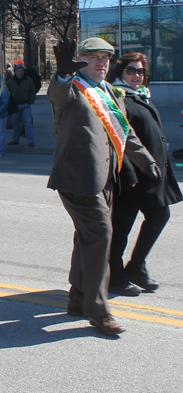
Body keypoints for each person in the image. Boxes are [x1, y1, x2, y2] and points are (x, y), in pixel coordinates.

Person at [47, 38, 161, 335]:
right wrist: (61, 75)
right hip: (76, 177)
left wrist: (145, 161)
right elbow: (56, 95)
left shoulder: (110, 91)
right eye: (94, 57)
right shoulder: (72, 86)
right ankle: (98, 310)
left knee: (87, 236)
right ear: (80, 60)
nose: (101, 62)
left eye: (106, 58)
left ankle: (77, 297)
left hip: (105, 177)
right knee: (101, 234)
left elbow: (125, 130)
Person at [106, 53, 183, 296]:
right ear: (120, 73)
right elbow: (119, 139)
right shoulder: (117, 98)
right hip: (131, 177)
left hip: (150, 174)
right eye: (131, 70)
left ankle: (137, 266)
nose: (137, 75)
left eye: (141, 71)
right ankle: (114, 278)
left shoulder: (140, 96)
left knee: (160, 215)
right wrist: (128, 175)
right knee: (119, 230)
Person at [7, 60, 36, 147]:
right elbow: (7, 92)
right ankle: (15, 139)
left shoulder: (28, 80)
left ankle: (31, 141)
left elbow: (33, 91)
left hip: (25, 105)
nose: (20, 72)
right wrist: (10, 103)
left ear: (23, 71)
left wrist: (30, 101)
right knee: (16, 124)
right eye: (18, 71)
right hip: (15, 105)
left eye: (21, 71)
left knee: (27, 124)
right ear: (15, 72)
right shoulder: (11, 81)